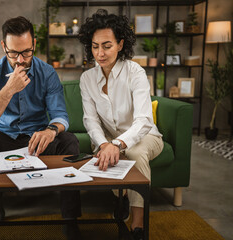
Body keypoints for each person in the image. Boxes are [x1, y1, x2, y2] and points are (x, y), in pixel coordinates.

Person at [0, 16, 81, 238]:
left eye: (26, 52)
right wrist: (9, 89)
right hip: (2, 138)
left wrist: (51, 130)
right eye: (13, 53)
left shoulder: (47, 73)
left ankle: (70, 218)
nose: (20, 60)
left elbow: (61, 116)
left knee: (70, 141)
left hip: (35, 140)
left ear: (34, 44)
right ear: (3, 47)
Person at [78, 9, 164, 240]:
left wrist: (117, 143)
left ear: (120, 44)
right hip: (108, 139)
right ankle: (122, 197)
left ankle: (137, 225)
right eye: (95, 46)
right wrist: (105, 144)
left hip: (145, 137)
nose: (100, 53)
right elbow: (91, 120)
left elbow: (145, 120)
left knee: (133, 152)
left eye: (107, 45)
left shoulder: (135, 72)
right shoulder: (87, 79)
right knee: (104, 156)